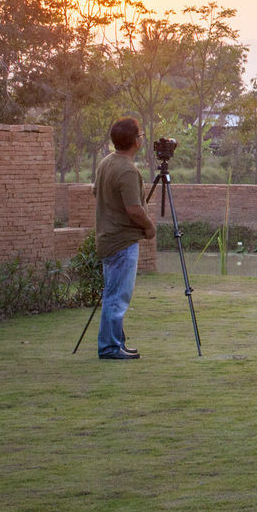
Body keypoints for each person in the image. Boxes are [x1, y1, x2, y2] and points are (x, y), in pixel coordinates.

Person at [94, 117, 158, 360]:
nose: (142, 138)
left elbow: (96, 194)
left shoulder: (106, 163)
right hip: (121, 242)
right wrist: (149, 227)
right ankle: (109, 347)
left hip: (108, 237)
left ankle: (117, 342)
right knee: (117, 296)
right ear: (134, 141)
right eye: (140, 135)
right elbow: (134, 209)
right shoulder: (128, 170)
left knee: (114, 292)